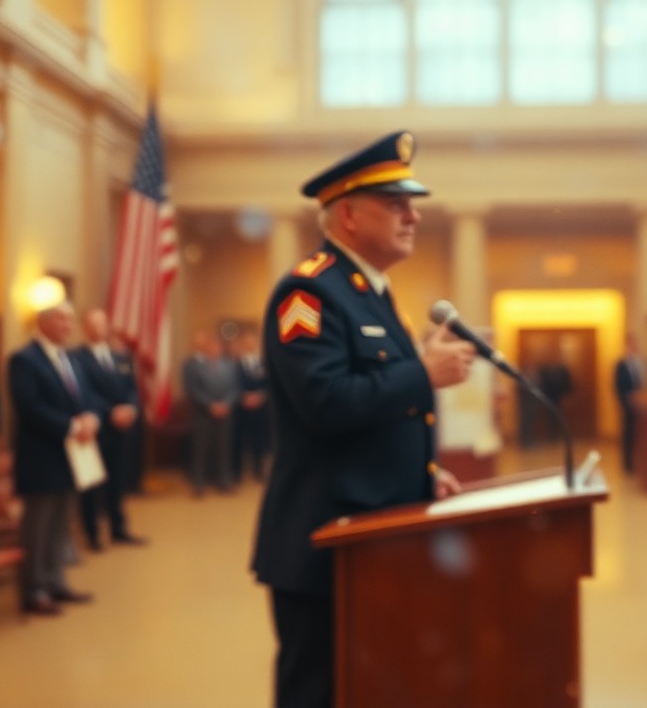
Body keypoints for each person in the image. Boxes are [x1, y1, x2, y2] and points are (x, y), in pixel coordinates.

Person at [249, 130, 475, 708]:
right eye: (396, 205)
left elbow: (379, 419)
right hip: (325, 543)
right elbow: (326, 403)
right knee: (318, 692)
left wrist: (423, 476)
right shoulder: (308, 293)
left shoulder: (370, 295)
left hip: (373, 537)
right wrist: (422, 373)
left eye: (412, 205)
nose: (413, 217)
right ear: (347, 214)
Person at [8, 302, 102, 615]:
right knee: (38, 526)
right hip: (40, 457)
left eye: (70, 319)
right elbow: (30, 407)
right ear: (43, 322)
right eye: (62, 319)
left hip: (71, 456)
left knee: (61, 523)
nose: (68, 325)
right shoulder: (24, 360)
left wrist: (91, 417)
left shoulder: (70, 357)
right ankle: (34, 589)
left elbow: (85, 397)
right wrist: (72, 426)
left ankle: (56, 581)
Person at [71, 309, 144, 551]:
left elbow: (132, 388)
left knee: (118, 481)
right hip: (97, 428)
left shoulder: (120, 356)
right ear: (85, 328)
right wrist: (110, 412)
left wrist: (131, 409)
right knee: (92, 485)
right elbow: (85, 392)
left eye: (102, 323)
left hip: (122, 429)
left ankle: (119, 529)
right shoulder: (76, 358)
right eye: (92, 324)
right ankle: (92, 534)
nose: (98, 329)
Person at [181, 331, 239, 495]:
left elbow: (235, 388)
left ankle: (224, 481)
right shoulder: (196, 366)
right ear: (206, 348)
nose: (214, 349)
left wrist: (226, 404)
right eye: (211, 346)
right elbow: (193, 390)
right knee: (200, 449)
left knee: (224, 449)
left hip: (225, 413)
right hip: (203, 415)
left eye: (217, 346)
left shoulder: (229, 366)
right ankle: (198, 483)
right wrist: (211, 405)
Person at [233, 331, 270, 482]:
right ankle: (237, 473)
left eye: (252, 341)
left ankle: (258, 470)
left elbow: (270, 383)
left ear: (256, 343)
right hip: (241, 406)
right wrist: (244, 396)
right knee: (240, 440)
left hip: (261, 407)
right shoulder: (235, 363)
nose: (249, 344)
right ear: (243, 344)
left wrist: (261, 396)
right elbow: (232, 383)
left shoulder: (264, 361)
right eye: (246, 341)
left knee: (259, 440)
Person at [613, 333, 644, 474]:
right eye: (631, 344)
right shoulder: (621, 365)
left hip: (640, 407)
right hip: (628, 406)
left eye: (635, 344)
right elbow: (617, 386)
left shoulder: (640, 364)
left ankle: (640, 463)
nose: (633, 347)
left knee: (640, 435)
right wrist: (624, 403)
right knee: (628, 435)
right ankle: (628, 465)